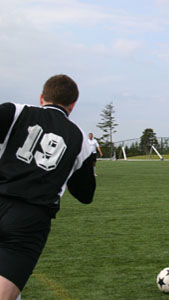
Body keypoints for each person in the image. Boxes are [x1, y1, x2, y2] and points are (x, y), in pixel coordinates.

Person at [0, 74, 96, 300]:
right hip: (29, 221)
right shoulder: (80, 139)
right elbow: (85, 195)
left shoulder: (14, 111)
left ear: (42, 97)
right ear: (73, 105)